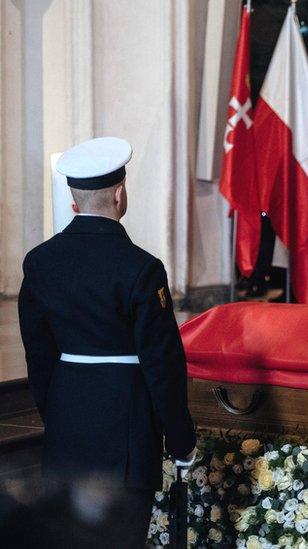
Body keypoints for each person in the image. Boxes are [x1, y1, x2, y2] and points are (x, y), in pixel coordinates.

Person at [17, 137, 197, 547]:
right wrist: (180, 439)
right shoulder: (142, 269)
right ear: (120, 194)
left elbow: (38, 353)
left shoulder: (40, 261)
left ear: (73, 200)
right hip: (126, 433)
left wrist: (56, 414)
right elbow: (162, 363)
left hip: (67, 424)